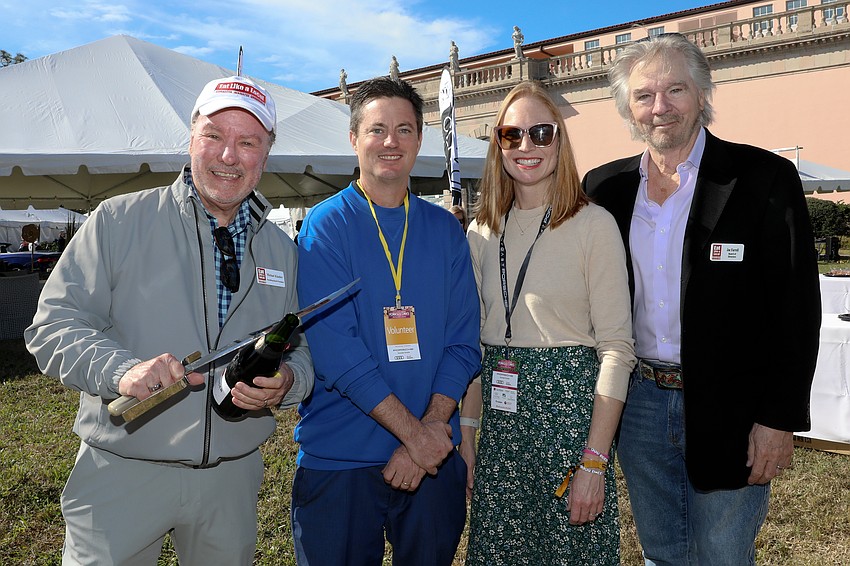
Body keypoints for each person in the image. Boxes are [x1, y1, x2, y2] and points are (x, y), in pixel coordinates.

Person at [25, 75, 314, 565]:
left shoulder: (281, 250)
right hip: (122, 470)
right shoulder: (118, 221)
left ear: (266, 154)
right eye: (214, 136)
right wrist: (122, 370)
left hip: (230, 479)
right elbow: (53, 327)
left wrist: (289, 380)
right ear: (191, 138)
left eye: (248, 142)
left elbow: (300, 347)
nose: (229, 156)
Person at [582, 33, 821, 565]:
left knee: (722, 554)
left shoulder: (762, 179)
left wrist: (778, 419)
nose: (660, 107)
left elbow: (797, 309)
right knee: (661, 552)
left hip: (733, 407)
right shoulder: (604, 189)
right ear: (627, 107)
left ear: (702, 93)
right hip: (640, 405)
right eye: (644, 95)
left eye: (675, 89)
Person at [292, 77, 481, 566]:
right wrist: (415, 436)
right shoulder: (326, 226)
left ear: (419, 140)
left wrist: (429, 432)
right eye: (377, 129)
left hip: (434, 457)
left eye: (404, 129)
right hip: (343, 459)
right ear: (353, 138)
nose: (390, 141)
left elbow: (463, 343)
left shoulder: (445, 231)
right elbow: (338, 354)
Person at [461, 81, 635, 565]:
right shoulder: (480, 232)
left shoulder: (593, 225)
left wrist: (594, 462)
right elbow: (475, 346)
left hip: (571, 427)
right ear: (498, 144)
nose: (527, 146)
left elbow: (617, 349)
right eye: (511, 134)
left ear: (560, 139)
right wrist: (467, 435)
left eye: (541, 132)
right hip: (501, 434)